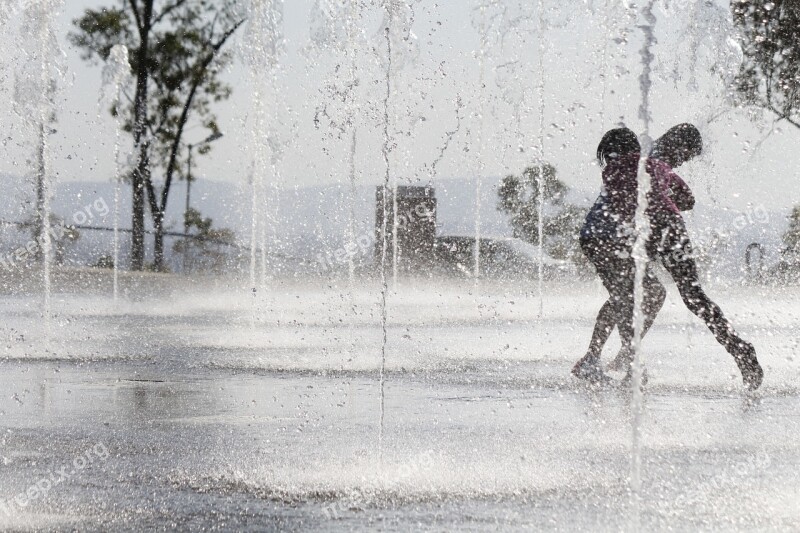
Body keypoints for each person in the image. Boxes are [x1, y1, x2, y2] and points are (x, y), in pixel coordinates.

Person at [574, 124, 764, 390]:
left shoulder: (616, 168)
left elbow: (626, 199)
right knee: (693, 296)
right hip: (670, 227)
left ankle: (626, 362)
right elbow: (687, 200)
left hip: (636, 231)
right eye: (685, 155)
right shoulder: (656, 162)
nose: (684, 161)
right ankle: (739, 348)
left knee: (627, 294)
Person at [571, 127, 668, 384]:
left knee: (648, 293)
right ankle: (615, 361)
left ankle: (615, 356)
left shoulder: (627, 168)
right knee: (626, 297)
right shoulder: (634, 166)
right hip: (606, 239)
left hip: (603, 238)